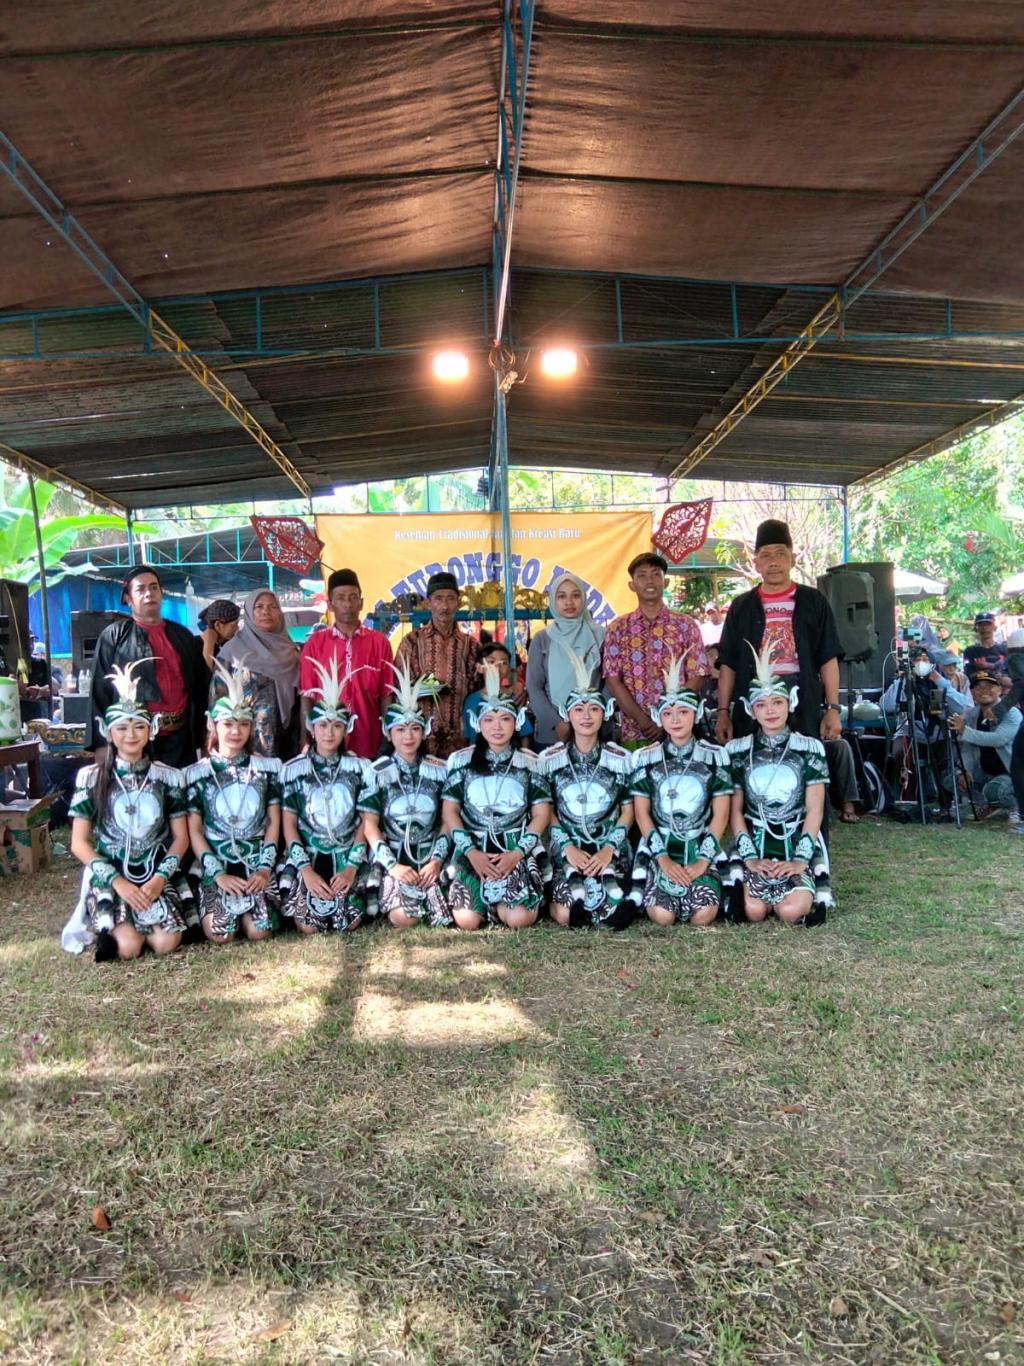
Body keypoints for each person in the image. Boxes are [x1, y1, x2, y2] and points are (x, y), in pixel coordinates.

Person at [67, 660, 195, 961]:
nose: (131, 735)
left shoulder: (168, 777)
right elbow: (78, 843)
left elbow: (181, 838)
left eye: (139, 726)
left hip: (155, 873)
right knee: (128, 947)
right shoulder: (92, 778)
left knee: (165, 943)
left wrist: (160, 879)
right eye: (122, 727)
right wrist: (119, 883)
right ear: (108, 732)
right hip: (113, 874)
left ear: (151, 730)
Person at [724, 643, 833, 926]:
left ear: (790, 702)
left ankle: (803, 878)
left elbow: (815, 810)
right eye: (761, 704)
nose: (770, 711)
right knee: (754, 911)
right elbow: (735, 811)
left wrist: (800, 860)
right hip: (755, 843)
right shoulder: (738, 751)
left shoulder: (809, 749)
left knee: (790, 911)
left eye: (777, 702)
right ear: (751, 709)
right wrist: (750, 858)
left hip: (796, 841)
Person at [442, 661, 551, 930]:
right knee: (467, 921)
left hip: (514, 846)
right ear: (477, 724)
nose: (497, 727)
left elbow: (541, 815)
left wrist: (517, 854)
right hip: (473, 846)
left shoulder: (530, 763)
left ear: (517, 722)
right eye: (489, 720)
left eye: (505, 719)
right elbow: (450, 811)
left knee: (518, 919)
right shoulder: (462, 762)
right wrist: (471, 853)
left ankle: (513, 899)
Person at [715, 520, 842, 746]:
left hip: (803, 701)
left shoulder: (814, 601)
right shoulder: (741, 606)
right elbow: (728, 663)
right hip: (752, 702)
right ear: (756, 563)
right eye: (765, 555)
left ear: (793, 559)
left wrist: (833, 708)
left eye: (780, 553)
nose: (773, 561)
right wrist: (723, 712)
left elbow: (828, 656)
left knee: (806, 760)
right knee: (750, 760)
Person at [631, 656, 732, 927]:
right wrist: (663, 859)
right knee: (662, 916)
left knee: (703, 915)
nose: (675, 720)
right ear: (658, 716)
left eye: (683, 712)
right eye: (668, 713)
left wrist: (702, 861)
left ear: (697, 714)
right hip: (660, 847)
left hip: (699, 844)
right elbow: (641, 815)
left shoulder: (714, 757)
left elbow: (721, 816)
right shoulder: (646, 759)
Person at [186, 662, 282, 944]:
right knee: (221, 934)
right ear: (212, 724)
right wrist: (217, 874)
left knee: (259, 931)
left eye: (243, 724)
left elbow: (273, 822)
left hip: (256, 863)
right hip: (217, 861)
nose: (236, 731)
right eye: (228, 723)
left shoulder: (265, 770)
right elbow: (195, 830)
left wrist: (264, 868)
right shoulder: (198, 774)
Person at [539, 644, 634, 929]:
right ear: (566, 713)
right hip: (566, 846)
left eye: (594, 709)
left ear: (606, 713)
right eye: (578, 709)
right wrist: (568, 847)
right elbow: (547, 810)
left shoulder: (620, 759)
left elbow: (628, 811)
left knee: (615, 910)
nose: (586, 716)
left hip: (609, 845)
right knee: (566, 914)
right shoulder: (550, 760)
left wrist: (608, 849)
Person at [278, 657, 369, 934]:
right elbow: (289, 825)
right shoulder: (294, 770)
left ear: (347, 728)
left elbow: (366, 821)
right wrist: (305, 870)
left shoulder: (360, 768)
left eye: (337, 725)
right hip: (308, 854)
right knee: (309, 927)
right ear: (311, 727)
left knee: (348, 922)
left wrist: (351, 867)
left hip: (347, 853)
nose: (329, 733)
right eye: (322, 725)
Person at [360, 662, 452, 928]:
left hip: (432, 854)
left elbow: (448, 820)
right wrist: (393, 866)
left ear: (425, 730)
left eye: (414, 728)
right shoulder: (377, 773)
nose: (408, 736)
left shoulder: (439, 770)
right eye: (400, 729)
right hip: (394, 855)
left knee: (459, 913)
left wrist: (436, 860)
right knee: (404, 918)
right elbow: (370, 826)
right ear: (388, 732)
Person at [88, 565, 209, 768]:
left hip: (180, 739)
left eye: (154, 587)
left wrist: (206, 736)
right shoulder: (113, 636)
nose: (149, 594)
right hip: (133, 741)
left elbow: (201, 688)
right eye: (140, 589)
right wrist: (101, 745)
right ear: (128, 598)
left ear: (161, 593)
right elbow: (99, 691)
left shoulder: (183, 636)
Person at [603, 552, 708, 748]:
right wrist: (643, 721)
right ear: (632, 585)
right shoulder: (617, 628)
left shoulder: (686, 625)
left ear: (665, 582)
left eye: (656, 574)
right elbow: (612, 679)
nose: (649, 580)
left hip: (678, 729)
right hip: (635, 731)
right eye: (642, 575)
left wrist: (669, 715)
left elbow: (698, 675)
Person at [299, 569, 393, 762]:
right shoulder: (315, 644)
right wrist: (306, 738)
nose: (348, 604)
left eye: (353, 597)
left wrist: (388, 736)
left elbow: (386, 694)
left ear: (361, 602)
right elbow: (307, 695)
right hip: (327, 744)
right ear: (330, 605)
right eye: (340, 598)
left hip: (369, 741)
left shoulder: (380, 643)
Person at [393, 571, 480, 759]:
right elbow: (399, 689)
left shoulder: (471, 645)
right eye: (438, 599)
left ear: (458, 602)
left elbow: (479, 691)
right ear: (428, 603)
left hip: (461, 739)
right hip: (419, 739)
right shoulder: (412, 642)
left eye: (450, 599)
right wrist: (431, 688)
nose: (445, 606)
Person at [213, 589, 300, 760]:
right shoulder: (232, 652)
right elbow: (217, 699)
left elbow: (302, 698)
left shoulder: (292, 652)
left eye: (273, 607)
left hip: (289, 739)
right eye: (259, 607)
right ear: (249, 612)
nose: (266, 611)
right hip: (245, 740)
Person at [880, 645, 969, 809]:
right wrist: (904, 681)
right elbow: (886, 705)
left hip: (936, 735)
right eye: (917, 660)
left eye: (925, 660)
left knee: (945, 752)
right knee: (901, 750)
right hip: (909, 734)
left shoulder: (939, 683)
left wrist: (939, 681)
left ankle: (946, 804)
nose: (921, 663)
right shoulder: (902, 682)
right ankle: (909, 802)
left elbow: (961, 705)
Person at [527, 571, 605, 749]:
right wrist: (557, 723)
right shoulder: (542, 639)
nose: (569, 602)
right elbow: (534, 686)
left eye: (575, 595)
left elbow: (609, 682)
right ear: (553, 601)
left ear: (583, 599)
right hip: (553, 732)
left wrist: (596, 716)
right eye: (561, 596)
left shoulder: (600, 635)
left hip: (594, 728)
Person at [948, 670, 1022, 817]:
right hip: (985, 772)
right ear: (972, 692)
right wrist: (965, 772)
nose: (984, 691)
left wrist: (965, 731)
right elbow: (966, 749)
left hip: (1012, 773)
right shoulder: (971, 714)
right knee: (952, 780)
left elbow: (998, 739)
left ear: (999, 689)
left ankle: (1016, 808)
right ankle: (990, 804)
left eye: (989, 686)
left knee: (995, 789)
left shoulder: (1011, 712)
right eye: (978, 687)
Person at [463, 642, 533, 743]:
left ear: (508, 669)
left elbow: (524, 734)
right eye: (491, 662)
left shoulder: (515, 698)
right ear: (479, 668)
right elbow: (469, 737)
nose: (498, 666)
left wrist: (525, 753)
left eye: (504, 663)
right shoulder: (471, 701)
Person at [963, 612, 1008, 681]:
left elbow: (1011, 673)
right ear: (976, 628)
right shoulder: (969, 651)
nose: (984, 628)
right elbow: (968, 674)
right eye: (980, 625)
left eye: (988, 624)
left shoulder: (1004, 649)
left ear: (994, 627)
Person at [197, 599, 241, 669]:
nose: (237, 628)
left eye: (237, 624)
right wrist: (209, 644)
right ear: (217, 624)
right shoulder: (196, 646)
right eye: (233, 625)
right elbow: (206, 674)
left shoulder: (222, 646)